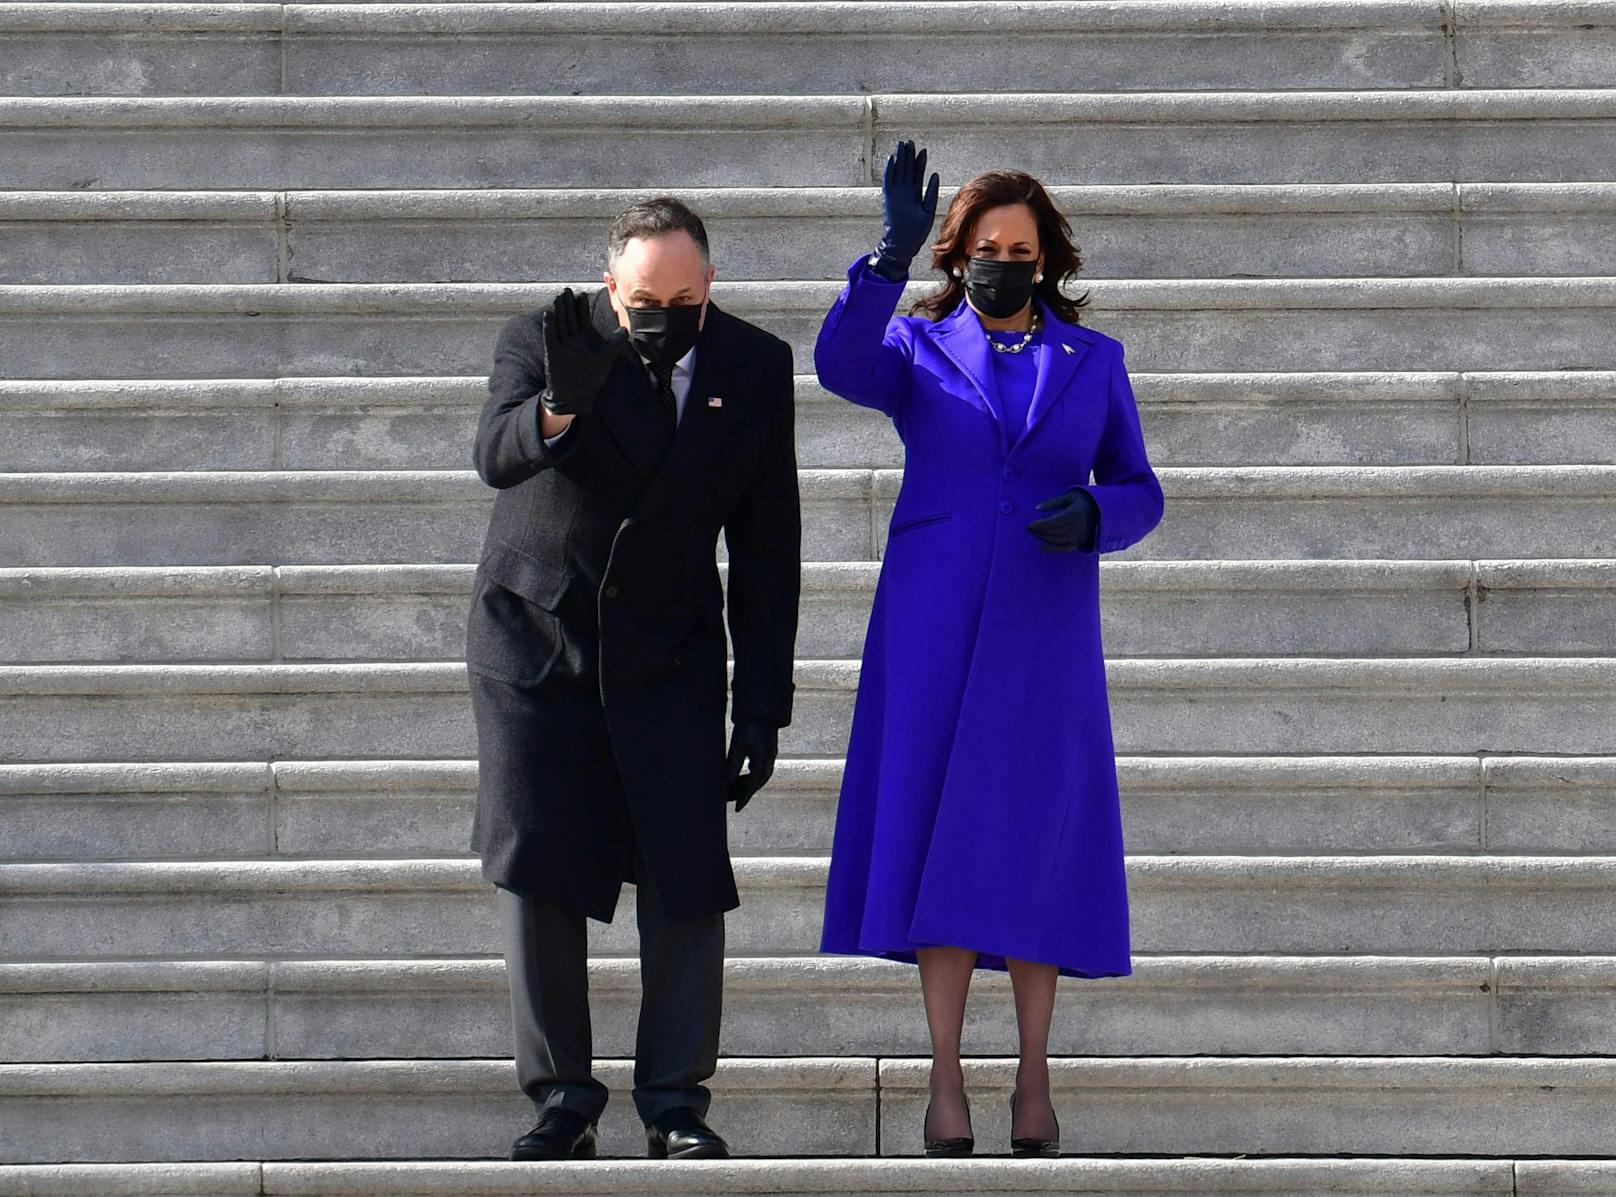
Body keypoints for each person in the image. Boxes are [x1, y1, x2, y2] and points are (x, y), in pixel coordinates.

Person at [815, 142, 1165, 1159]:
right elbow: (839, 365)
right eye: (983, 246)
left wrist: (1096, 515)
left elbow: (1140, 485)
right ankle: (943, 1072)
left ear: (1045, 257)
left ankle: (1032, 1071)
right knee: (936, 832)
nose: (1000, 262)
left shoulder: (1090, 361)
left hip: (1042, 631)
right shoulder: (919, 349)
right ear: (955, 254)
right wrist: (881, 260)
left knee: (1028, 841)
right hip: (929, 623)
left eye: (1018, 248)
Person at [465, 196, 801, 1161]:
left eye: (686, 296)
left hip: (671, 650)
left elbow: (769, 541)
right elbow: (493, 455)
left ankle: (674, 1102)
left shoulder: (753, 363)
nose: (665, 314)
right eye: (646, 299)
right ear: (613, 288)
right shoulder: (542, 337)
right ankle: (563, 1098)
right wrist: (559, 405)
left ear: (712, 287)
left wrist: (763, 703)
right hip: (539, 641)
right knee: (536, 862)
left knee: (687, 871)